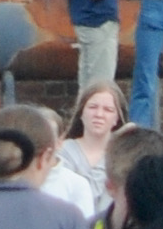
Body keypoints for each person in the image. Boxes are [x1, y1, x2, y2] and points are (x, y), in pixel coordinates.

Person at [45, 81, 121, 220]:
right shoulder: (62, 151)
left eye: (108, 110)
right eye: (92, 107)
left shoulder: (122, 156)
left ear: (116, 118)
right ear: (81, 112)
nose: (99, 114)